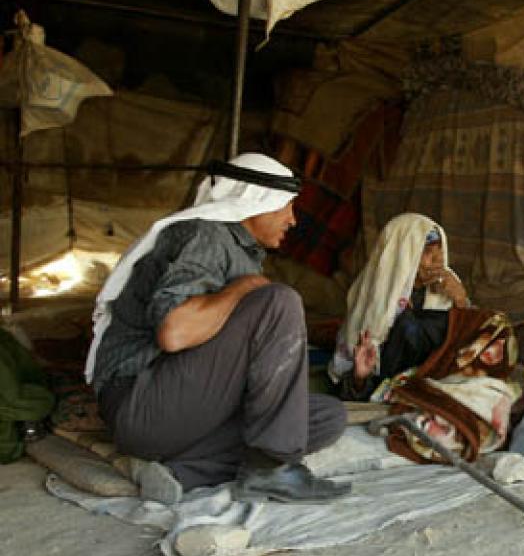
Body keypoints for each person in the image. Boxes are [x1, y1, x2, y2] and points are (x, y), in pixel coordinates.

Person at [86, 153, 347, 504]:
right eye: (286, 207)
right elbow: (174, 333)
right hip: (141, 402)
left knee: (325, 417)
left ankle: (182, 472)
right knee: (278, 301)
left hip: (182, 413)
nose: (292, 220)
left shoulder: (242, 250)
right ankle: (272, 469)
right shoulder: (205, 235)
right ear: (254, 202)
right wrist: (244, 288)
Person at [328, 213, 469, 400]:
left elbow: (467, 343)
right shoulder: (376, 298)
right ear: (402, 256)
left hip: (434, 386)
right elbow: (352, 384)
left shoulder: (447, 290)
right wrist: (360, 378)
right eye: (428, 252)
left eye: (440, 251)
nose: (438, 261)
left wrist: (461, 301)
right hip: (391, 391)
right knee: (408, 325)